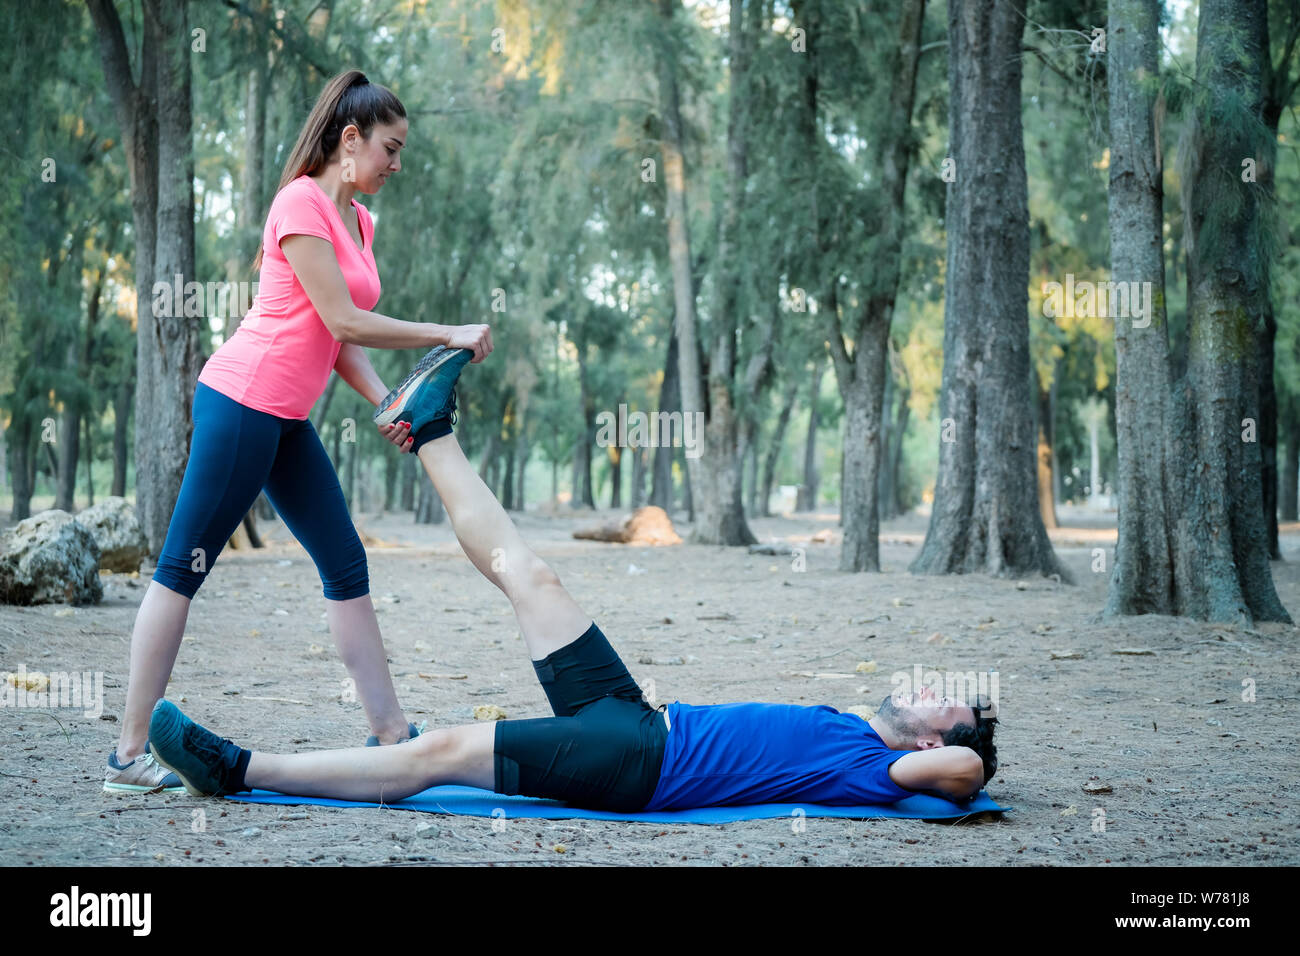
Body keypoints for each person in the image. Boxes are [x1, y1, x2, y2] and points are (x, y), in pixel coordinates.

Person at [147, 349, 999, 812]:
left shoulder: (885, 773)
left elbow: (961, 772)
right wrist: (940, 723)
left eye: (937, 702)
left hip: (635, 765)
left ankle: (240, 769)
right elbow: (943, 747)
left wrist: (970, 745)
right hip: (637, 716)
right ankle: (428, 427)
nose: (922, 690)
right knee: (531, 572)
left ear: (932, 743)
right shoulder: (853, 729)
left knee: (437, 754)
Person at [104, 68, 493, 794]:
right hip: (243, 401)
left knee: (346, 564)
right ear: (352, 140)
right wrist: (448, 332)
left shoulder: (360, 222)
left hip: (286, 418)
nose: (397, 164)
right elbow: (344, 318)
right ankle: (127, 756)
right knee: (181, 570)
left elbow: (334, 336)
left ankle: (390, 737)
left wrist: (386, 401)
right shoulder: (300, 204)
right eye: (391, 148)